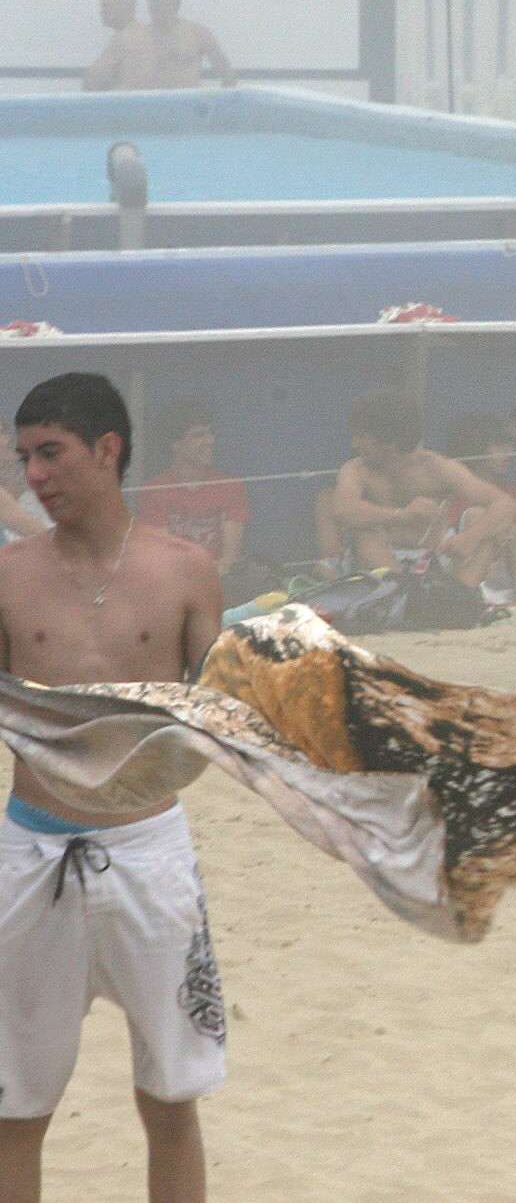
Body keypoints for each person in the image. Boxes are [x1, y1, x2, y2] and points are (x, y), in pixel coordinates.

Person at [0, 372, 227, 1203]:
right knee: (14, 1103)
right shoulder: (10, 574)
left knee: (170, 1093)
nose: (36, 474)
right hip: (30, 849)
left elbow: (225, 714)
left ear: (108, 448)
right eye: (25, 457)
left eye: (52, 452)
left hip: (149, 851)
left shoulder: (185, 571)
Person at [322, 388, 516, 589]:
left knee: (484, 521)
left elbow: (506, 504)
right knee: (363, 531)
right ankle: (403, 591)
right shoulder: (356, 468)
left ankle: (460, 593)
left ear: (389, 441)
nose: (354, 444)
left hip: (433, 557)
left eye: (361, 436)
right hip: (380, 564)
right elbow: (342, 510)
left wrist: (470, 537)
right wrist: (402, 515)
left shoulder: (437, 467)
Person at [131, 400, 250, 596]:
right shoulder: (155, 490)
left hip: (221, 586)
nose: (209, 441)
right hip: (171, 589)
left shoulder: (230, 486)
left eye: (210, 433)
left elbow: (230, 558)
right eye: (198, 435)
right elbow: (162, 557)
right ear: (175, 445)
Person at [441, 412, 516, 605]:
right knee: (478, 516)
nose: (508, 453)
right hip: (454, 575)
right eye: (500, 446)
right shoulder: (450, 491)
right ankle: (467, 595)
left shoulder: (515, 494)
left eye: (509, 446)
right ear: (476, 446)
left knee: (515, 531)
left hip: (498, 582)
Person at [134, 0, 233, 91]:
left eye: (157, 0)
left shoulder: (198, 34)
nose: (152, 5)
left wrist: (221, 105)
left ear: (175, 2)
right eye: (150, 0)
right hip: (154, 105)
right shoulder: (139, 37)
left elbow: (227, 74)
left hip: (187, 104)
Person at [81, 0, 146, 92]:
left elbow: (96, 79)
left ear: (125, 7)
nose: (102, 11)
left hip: (122, 105)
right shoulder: (124, 36)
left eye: (106, 6)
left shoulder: (129, 39)